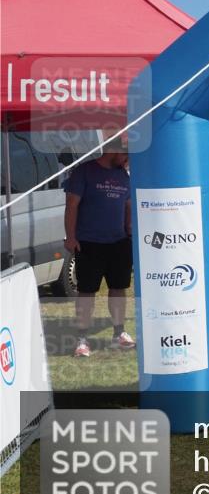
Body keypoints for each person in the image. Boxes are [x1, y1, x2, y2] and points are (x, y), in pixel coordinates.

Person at [63, 137, 135, 357]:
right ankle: (82, 339)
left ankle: (119, 333)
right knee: (87, 292)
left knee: (118, 288)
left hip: (119, 242)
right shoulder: (84, 172)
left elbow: (127, 206)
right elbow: (71, 206)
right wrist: (71, 237)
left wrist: (129, 231)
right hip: (89, 243)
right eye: (125, 155)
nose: (127, 160)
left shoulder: (123, 175)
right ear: (113, 151)